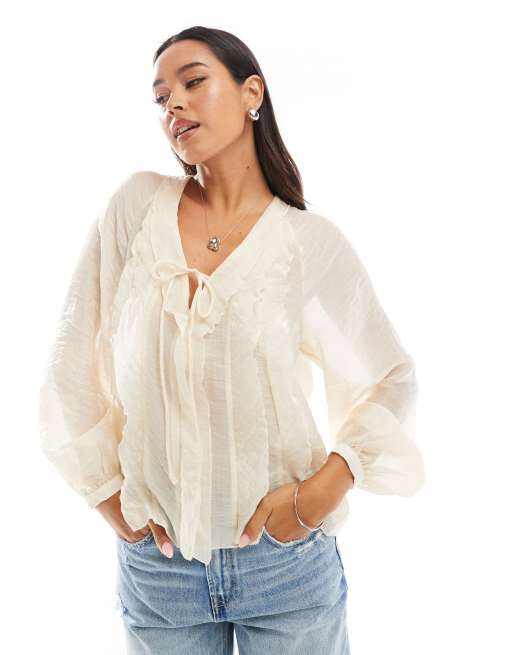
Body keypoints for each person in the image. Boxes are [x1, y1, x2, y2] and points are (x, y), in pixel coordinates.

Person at [38, 25, 426, 654]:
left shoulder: (306, 241)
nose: (174, 103)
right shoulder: (137, 208)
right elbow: (71, 360)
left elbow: (391, 377)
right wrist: (108, 499)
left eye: (193, 82)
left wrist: (320, 492)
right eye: (161, 97)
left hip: (285, 563)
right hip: (160, 570)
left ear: (252, 93)